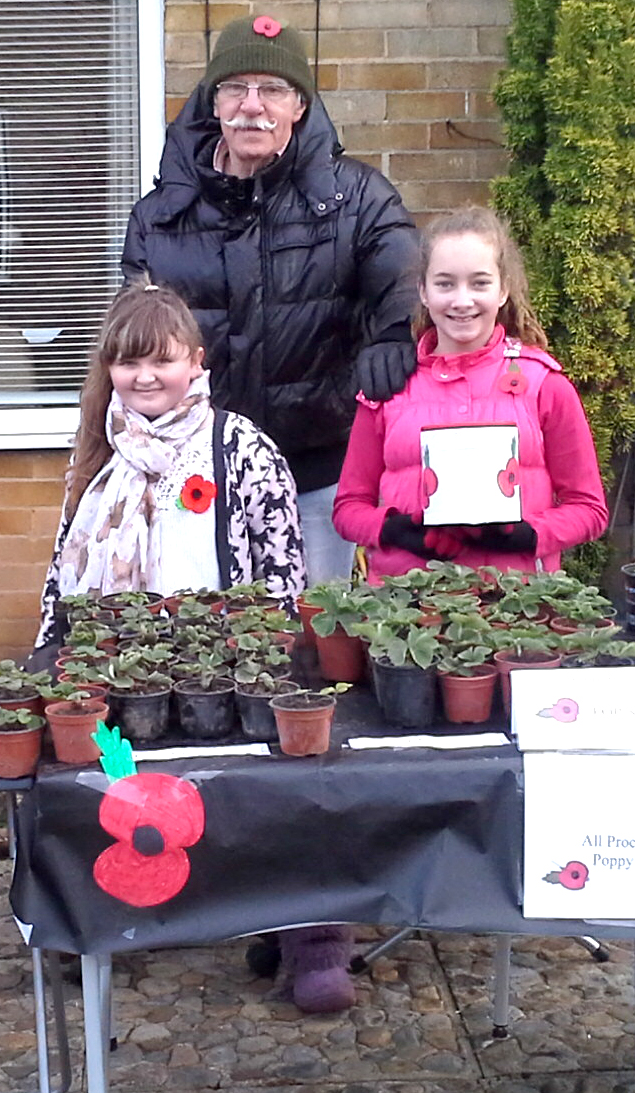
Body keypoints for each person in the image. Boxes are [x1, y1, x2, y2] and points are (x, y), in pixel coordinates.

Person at [122, 14, 420, 584]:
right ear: (214, 103)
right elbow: (132, 340)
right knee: (202, 639)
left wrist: (394, 334)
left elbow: (406, 277)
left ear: (300, 107)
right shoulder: (158, 218)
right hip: (195, 476)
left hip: (318, 472)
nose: (252, 105)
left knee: (315, 635)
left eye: (273, 90)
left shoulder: (358, 201)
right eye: (235, 87)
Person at [333, 206, 609, 581]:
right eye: (445, 284)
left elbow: (589, 508)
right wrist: (394, 529)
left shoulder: (545, 384)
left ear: (503, 290)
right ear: (423, 292)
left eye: (479, 283)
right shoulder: (388, 388)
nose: (462, 300)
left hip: (515, 604)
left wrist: (530, 536)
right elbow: (348, 508)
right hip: (407, 606)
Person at [35, 280, 305, 648]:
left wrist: (267, 660)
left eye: (162, 360)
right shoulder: (98, 446)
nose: (145, 377)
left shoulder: (242, 447)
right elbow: (59, 569)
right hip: (109, 664)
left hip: (214, 671)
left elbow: (282, 573)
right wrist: (50, 650)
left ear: (195, 361)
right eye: (128, 362)